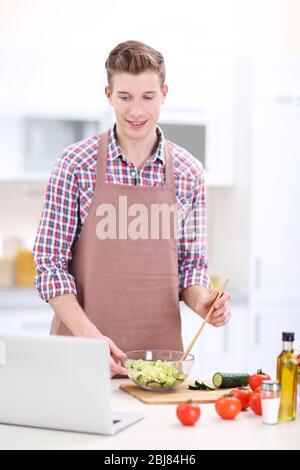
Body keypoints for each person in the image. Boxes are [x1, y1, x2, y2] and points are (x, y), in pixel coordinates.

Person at [33, 40, 231, 377]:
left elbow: (191, 267)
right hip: (82, 358)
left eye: (147, 97)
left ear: (164, 93)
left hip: (161, 367)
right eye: (125, 97)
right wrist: (89, 337)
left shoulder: (189, 172)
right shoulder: (74, 165)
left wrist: (203, 304)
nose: (136, 111)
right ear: (108, 94)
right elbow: (49, 266)